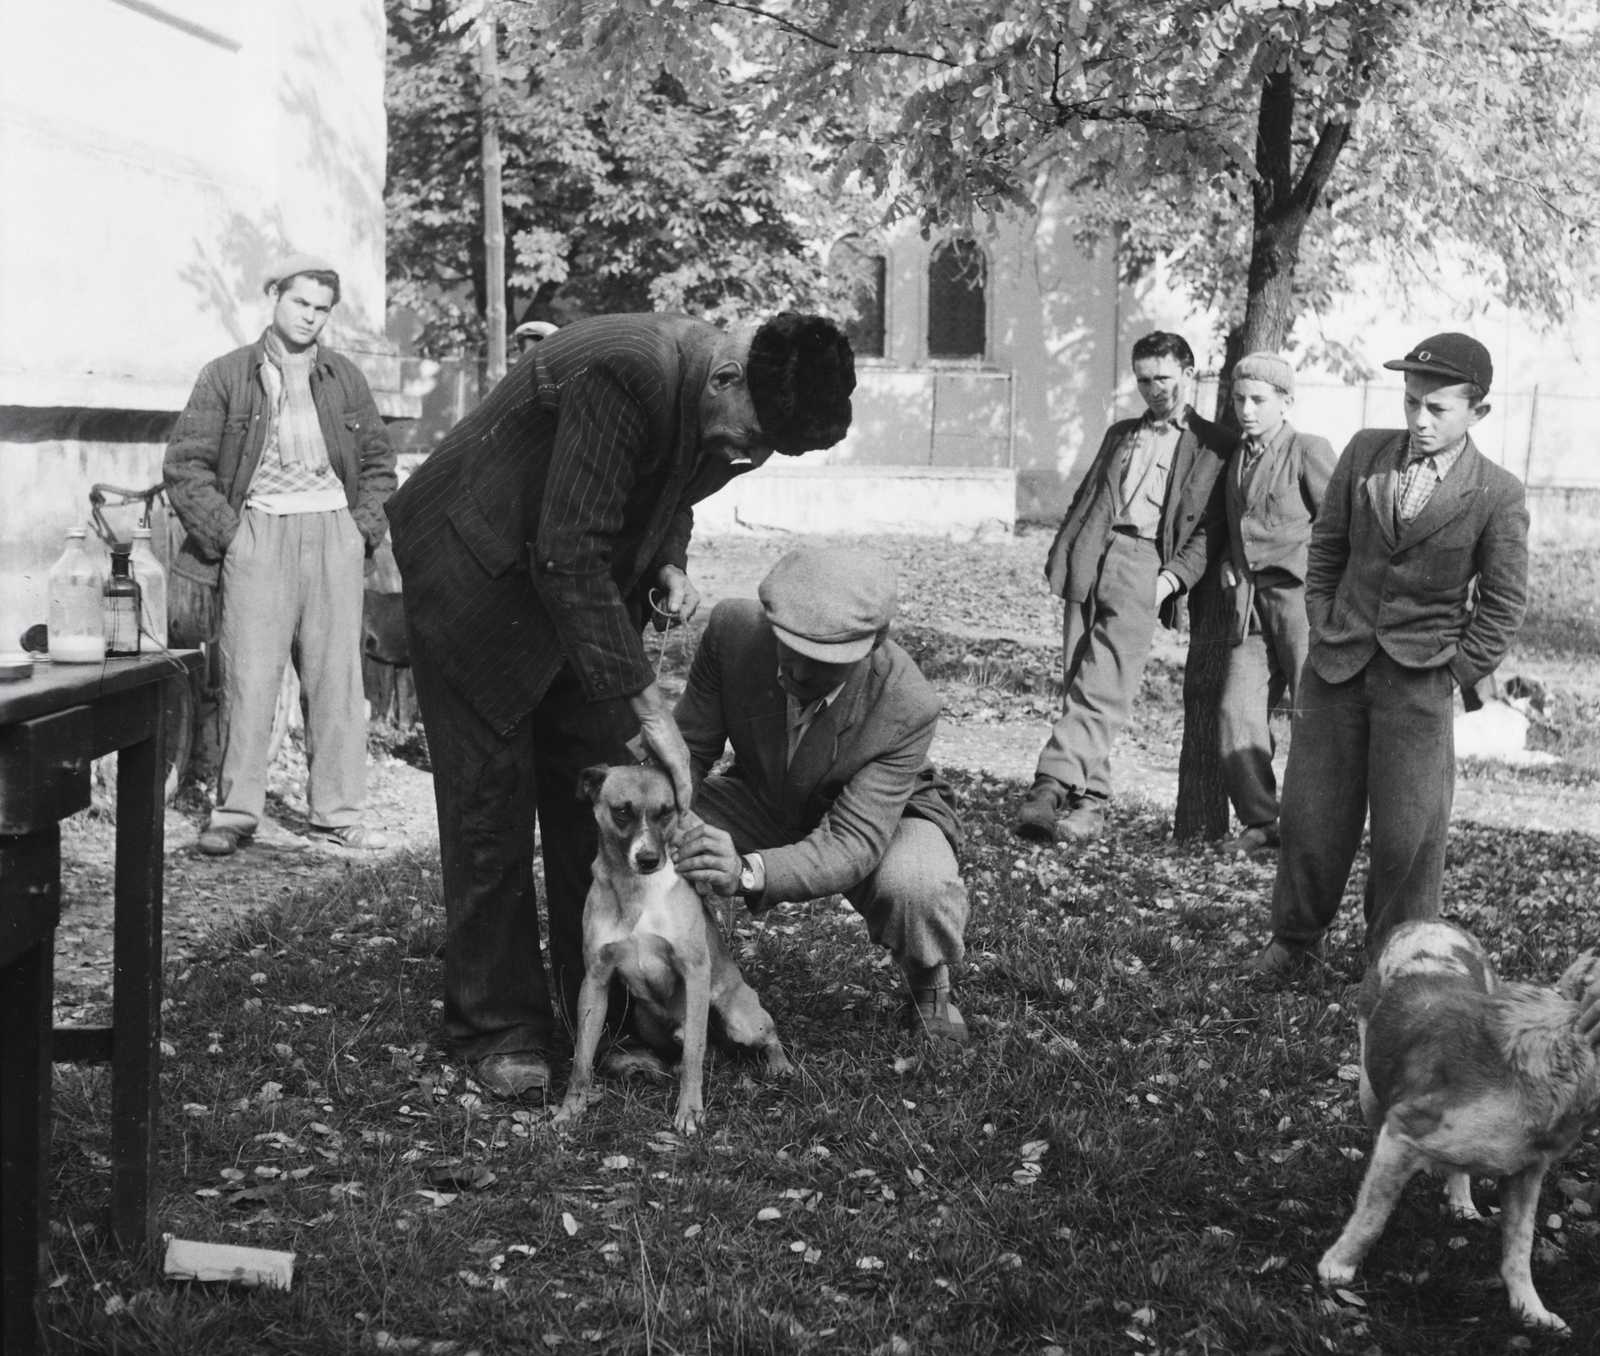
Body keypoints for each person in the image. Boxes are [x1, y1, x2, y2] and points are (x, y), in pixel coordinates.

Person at [385, 312, 855, 1099]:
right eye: (753, 437)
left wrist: (666, 559)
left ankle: (602, 1018)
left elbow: (670, 489)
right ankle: (497, 1025)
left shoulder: (722, 401)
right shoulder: (627, 371)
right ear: (728, 377)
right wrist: (649, 706)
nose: (748, 457)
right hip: (476, 575)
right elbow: (569, 552)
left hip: (578, 590)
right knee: (490, 803)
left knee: (601, 798)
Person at [1248, 333, 1529, 975]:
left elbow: (1504, 604)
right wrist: (1324, 622)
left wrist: (1452, 671)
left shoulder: (1497, 492)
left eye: (1438, 408)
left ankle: (1397, 964)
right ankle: (1294, 943)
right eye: (1410, 402)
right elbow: (1326, 548)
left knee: (1410, 834)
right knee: (1312, 814)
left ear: (1478, 412)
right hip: (1336, 667)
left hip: (1419, 682)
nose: (1419, 419)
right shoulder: (1365, 453)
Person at [670, 548, 970, 1044]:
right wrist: (667, 812)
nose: (798, 672)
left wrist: (744, 871)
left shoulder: (908, 702)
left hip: (880, 816)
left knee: (917, 884)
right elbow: (689, 748)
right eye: (788, 648)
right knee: (660, 833)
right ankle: (683, 975)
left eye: (823, 661)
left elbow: (852, 842)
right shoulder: (731, 630)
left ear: (872, 645)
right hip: (764, 795)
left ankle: (928, 982)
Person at [164, 252, 397, 857]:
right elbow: (185, 466)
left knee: (337, 680)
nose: (310, 317)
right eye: (300, 302)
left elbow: (378, 463)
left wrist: (359, 531)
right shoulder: (227, 374)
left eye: (322, 309)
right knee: (248, 679)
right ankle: (236, 813)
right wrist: (232, 536)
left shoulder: (344, 377)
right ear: (274, 297)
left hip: (333, 535)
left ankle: (338, 812)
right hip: (258, 534)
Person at [1016, 331, 1236, 843]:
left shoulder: (1215, 445)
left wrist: (1170, 580)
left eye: (1163, 377)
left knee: (1103, 687)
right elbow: (1088, 494)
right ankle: (1091, 805)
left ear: (1188, 373)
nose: (1153, 390)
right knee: (1081, 682)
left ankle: (1048, 786)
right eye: (1143, 380)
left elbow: (1210, 531)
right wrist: (1066, 553)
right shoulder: (1121, 433)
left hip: (1146, 564)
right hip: (1092, 557)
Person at [1216, 353, 1337, 853]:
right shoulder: (1237, 457)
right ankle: (1262, 821)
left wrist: (1327, 592)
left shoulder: (1308, 450)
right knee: (1235, 711)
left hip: (1300, 602)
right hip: (1248, 603)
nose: (1246, 410)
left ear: (1285, 403)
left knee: (1315, 715)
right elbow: (1237, 524)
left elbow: (1340, 526)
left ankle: (1318, 827)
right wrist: (1229, 559)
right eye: (1239, 399)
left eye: (1258, 400)